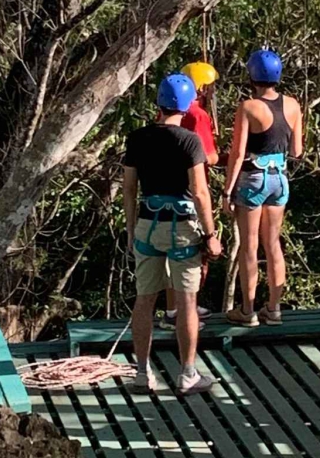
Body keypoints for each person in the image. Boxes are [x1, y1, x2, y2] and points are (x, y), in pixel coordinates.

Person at [122, 73, 224, 395]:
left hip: (146, 225)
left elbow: (128, 189)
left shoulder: (137, 138)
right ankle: (187, 374)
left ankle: (142, 373)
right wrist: (210, 235)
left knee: (145, 300)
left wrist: (129, 231)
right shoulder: (189, 141)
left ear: (160, 103)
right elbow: (200, 192)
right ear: (187, 104)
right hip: (181, 228)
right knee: (187, 301)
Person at [223, 48, 304, 327]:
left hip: (253, 177)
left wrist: (227, 191)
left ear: (252, 76)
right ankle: (274, 308)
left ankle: (247, 311)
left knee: (249, 247)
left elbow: (237, 152)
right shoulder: (293, 105)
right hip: (279, 178)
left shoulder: (248, 107)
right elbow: (297, 150)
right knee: (273, 245)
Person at [162, 61, 221, 330]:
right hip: (193, 190)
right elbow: (207, 156)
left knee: (171, 254)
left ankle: (173, 308)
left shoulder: (165, 116)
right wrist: (222, 155)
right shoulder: (199, 116)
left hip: (167, 189)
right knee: (196, 253)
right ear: (201, 87)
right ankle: (185, 310)